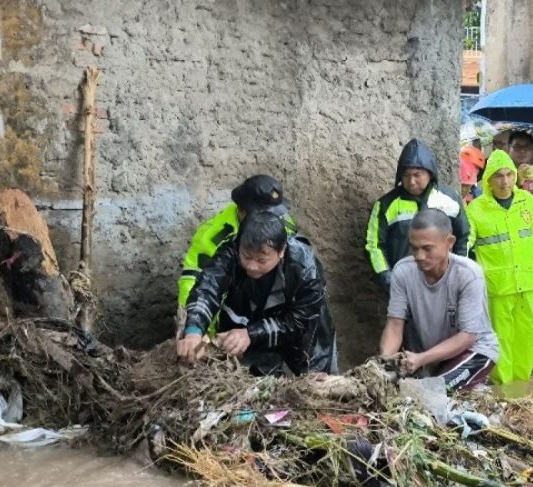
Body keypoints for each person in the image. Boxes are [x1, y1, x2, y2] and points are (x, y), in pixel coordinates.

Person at [177, 211, 336, 376]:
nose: (252, 266)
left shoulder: (305, 267)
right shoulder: (230, 251)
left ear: (281, 251)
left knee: (312, 385)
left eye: (261, 260)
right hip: (248, 321)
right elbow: (208, 288)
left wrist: (251, 334)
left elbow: (299, 322)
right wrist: (194, 331)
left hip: (303, 338)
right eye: (246, 256)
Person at [380, 209, 498, 391]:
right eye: (414, 248)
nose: (419, 256)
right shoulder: (402, 272)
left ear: (449, 242)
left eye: (427, 248)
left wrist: (421, 359)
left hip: (473, 351)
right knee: (392, 389)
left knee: (430, 392)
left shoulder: (468, 274)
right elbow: (395, 324)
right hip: (428, 356)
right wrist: (384, 363)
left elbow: (467, 337)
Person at [177, 175, 296, 335]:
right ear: (242, 210)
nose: (269, 220)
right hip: (226, 316)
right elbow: (196, 283)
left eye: (273, 213)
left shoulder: (282, 223)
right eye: (263, 213)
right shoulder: (214, 236)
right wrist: (200, 332)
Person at [466, 149, 533, 394]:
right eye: (499, 176)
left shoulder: (528, 202)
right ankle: (503, 390)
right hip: (497, 287)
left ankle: (522, 386)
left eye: (509, 174)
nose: (505, 181)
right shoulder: (477, 209)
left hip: (527, 284)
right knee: (500, 337)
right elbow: (466, 244)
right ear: (488, 179)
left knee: (527, 335)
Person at [365, 138, 470, 293]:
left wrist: (458, 272)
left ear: (429, 172)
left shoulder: (450, 200)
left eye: (417, 175)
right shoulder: (386, 205)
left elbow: (465, 236)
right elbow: (374, 246)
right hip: (404, 287)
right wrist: (388, 279)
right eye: (406, 175)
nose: (412, 181)